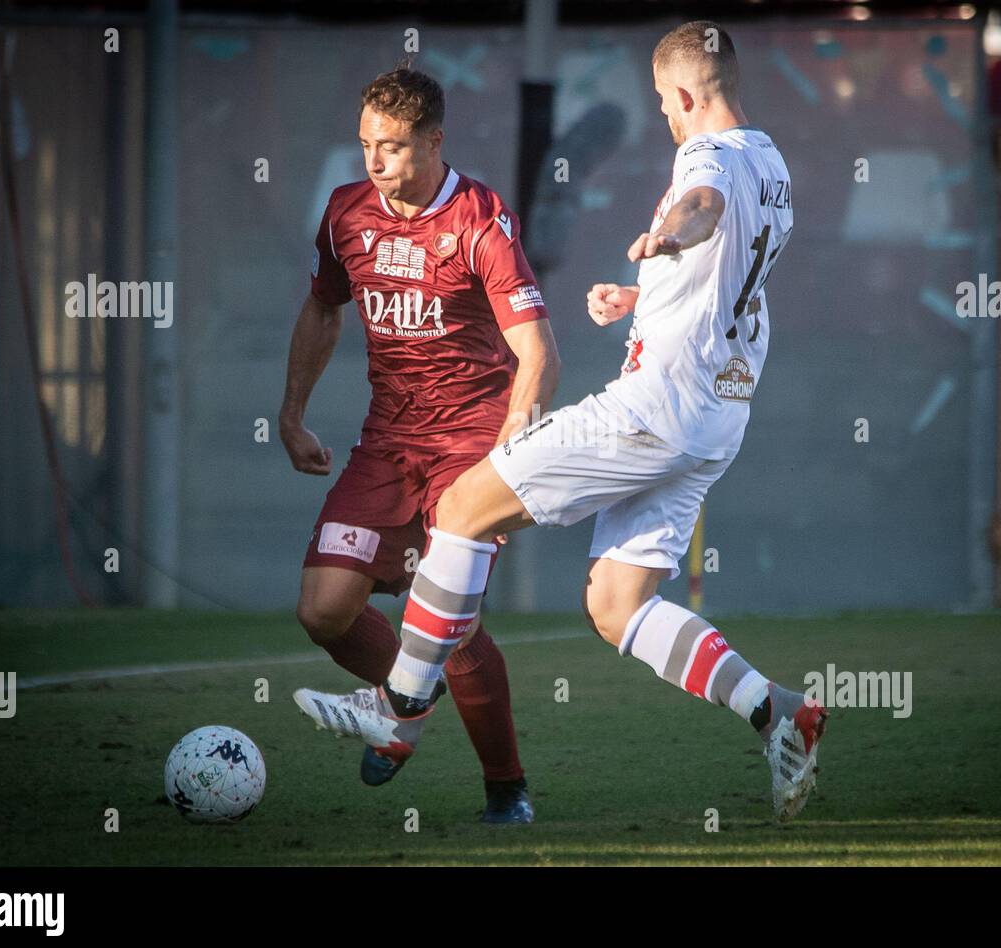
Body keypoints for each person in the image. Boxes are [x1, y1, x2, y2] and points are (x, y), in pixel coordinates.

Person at [295, 22, 826, 824]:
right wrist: (641, 295)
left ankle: (399, 707)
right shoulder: (771, 159)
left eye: (662, 103)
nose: (665, 117)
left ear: (683, 95)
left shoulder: (707, 159)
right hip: (719, 414)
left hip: (657, 405)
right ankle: (781, 710)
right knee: (618, 604)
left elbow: (705, 210)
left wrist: (669, 231)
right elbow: (733, 271)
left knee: (466, 508)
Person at [282, 65, 561, 824]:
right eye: (368, 143)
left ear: (435, 142)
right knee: (323, 611)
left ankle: (506, 788)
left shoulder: (479, 218)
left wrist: (508, 457)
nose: (376, 161)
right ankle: (410, 691)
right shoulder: (346, 212)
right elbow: (321, 309)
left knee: (452, 620)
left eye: (395, 147)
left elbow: (538, 353)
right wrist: (292, 413)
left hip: (469, 445)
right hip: (386, 443)